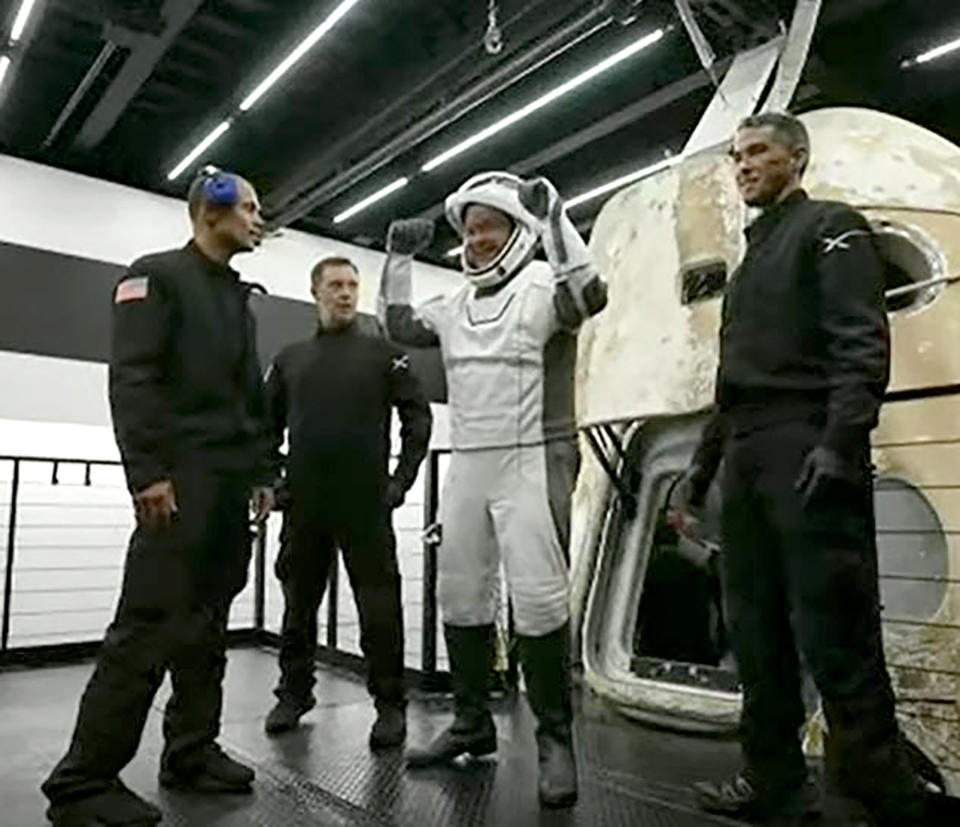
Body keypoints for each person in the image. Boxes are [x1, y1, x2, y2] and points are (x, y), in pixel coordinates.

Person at [670, 113, 927, 826]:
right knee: (756, 631)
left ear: (797, 158)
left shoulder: (831, 227)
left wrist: (842, 441)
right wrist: (698, 476)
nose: (743, 164)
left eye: (757, 152)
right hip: (748, 454)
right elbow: (731, 383)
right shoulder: (752, 258)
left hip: (804, 443)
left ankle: (882, 789)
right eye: (736, 155)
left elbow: (860, 340)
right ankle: (774, 781)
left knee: (836, 631)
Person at [41, 168, 275, 826]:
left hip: (228, 487)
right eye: (250, 208)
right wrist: (146, 472)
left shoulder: (237, 296)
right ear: (211, 211)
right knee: (147, 628)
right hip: (179, 482)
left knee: (205, 627)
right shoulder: (155, 277)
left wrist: (263, 471)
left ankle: (191, 752)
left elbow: (248, 399)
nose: (260, 219)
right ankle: (82, 781)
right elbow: (134, 380)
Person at [380, 172, 607, 808]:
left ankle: (554, 740)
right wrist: (398, 260)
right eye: (471, 228)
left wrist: (557, 215)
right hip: (471, 469)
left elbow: (591, 294)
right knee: (459, 593)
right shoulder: (453, 305)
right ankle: (471, 722)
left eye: (491, 226)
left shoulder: (544, 285)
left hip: (533, 459)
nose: (478, 239)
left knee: (537, 600)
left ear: (520, 231)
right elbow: (398, 324)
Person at [263, 256, 431, 749]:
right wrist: (272, 479)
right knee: (298, 607)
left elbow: (417, 420)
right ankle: (294, 694)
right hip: (305, 503)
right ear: (315, 290)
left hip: (366, 504)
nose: (345, 293)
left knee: (379, 609)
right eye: (335, 285)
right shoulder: (290, 358)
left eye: (352, 285)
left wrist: (399, 482)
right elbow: (263, 427)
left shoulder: (385, 355)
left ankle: (390, 705)